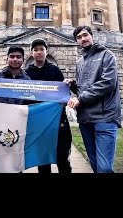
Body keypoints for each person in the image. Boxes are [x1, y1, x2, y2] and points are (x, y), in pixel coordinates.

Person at [65, 26, 121, 173]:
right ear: (77, 42)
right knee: (95, 165)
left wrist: (80, 98)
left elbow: (108, 83)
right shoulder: (80, 62)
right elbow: (83, 89)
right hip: (86, 120)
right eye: (79, 37)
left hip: (105, 117)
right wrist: (73, 86)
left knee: (104, 168)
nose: (83, 39)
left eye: (85, 35)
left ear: (92, 36)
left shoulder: (107, 55)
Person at [25, 38, 72, 174]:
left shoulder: (55, 70)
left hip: (57, 120)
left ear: (46, 52)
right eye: (36, 50)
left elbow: (64, 94)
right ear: (32, 53)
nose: (39, 52)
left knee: (63, 159)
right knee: (43, 160)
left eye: (42, 50)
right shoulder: (27, 73)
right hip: (39, 122)